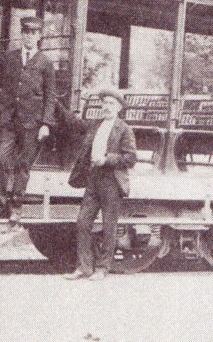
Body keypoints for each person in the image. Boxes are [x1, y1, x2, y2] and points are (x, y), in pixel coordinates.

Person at [61, 89, 137, 281]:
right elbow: (76, 128)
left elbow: (131, 158)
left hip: (112, 180)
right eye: (104, 103)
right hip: (93, 179)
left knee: (109, 226)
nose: (106, 107)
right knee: (82, 223)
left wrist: (107, 159)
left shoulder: (124, 129)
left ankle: (102, 269)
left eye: (111, 104)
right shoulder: (96, 125)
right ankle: (84, 267)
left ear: (119, 107)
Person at [0, 16, 55, 222]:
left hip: (32, 123)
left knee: (23, 165)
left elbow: (50, 97)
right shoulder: (9, 58)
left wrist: (46, 124)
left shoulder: (46, 63)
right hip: (8, 120)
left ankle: (16, 206)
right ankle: (0, 204)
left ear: (39, 36)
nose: (29, 36)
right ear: (21, 34)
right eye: (26, 32)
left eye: (33, 33)